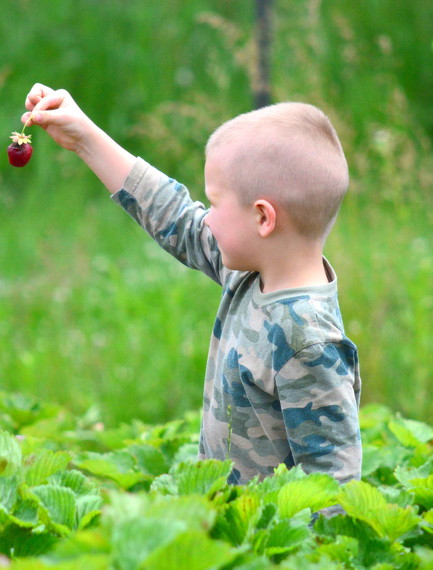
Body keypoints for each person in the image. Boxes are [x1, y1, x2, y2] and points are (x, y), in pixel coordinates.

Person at [21, 84, 361, 488]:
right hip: (227, 529)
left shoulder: (307, 340)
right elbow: (176, 217)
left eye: (215, 204)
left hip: (269, 543)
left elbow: (334, 483)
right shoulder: (254, 271)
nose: (206, 218)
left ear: (263, 218)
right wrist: (85, 138)